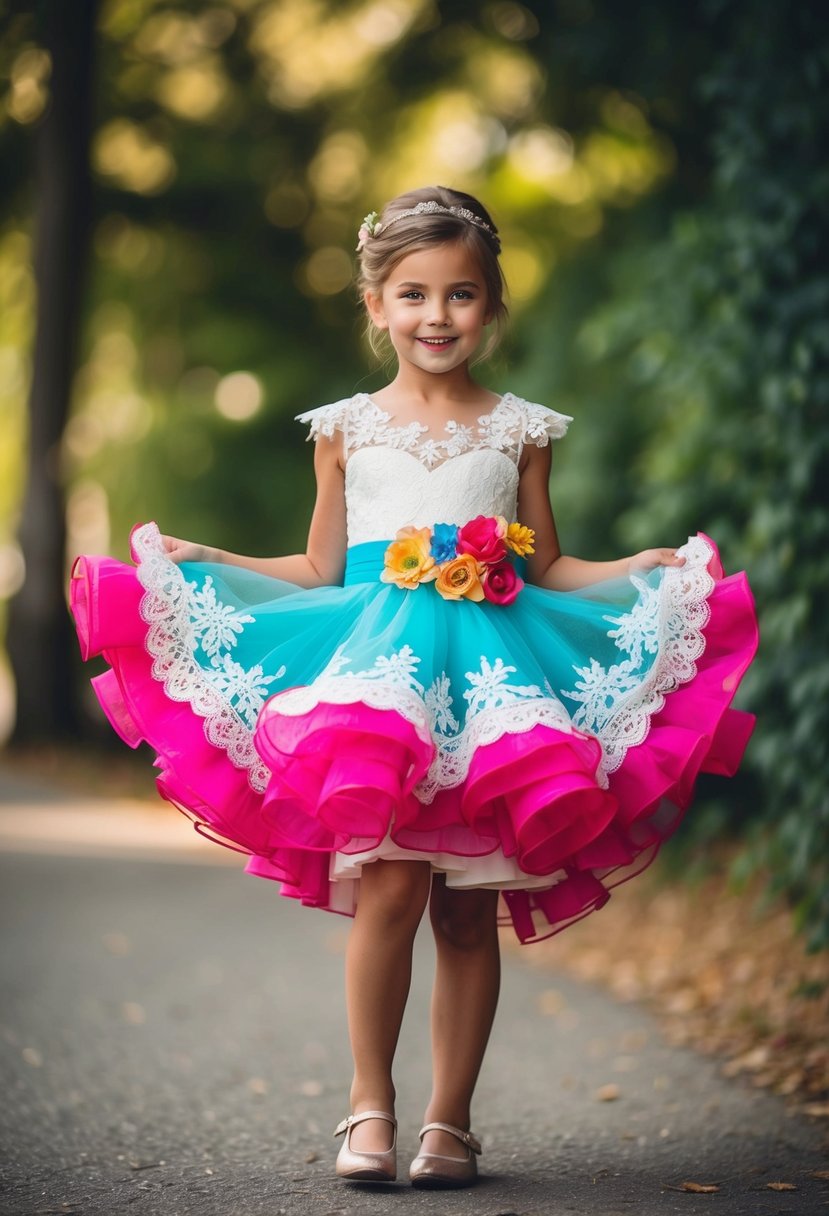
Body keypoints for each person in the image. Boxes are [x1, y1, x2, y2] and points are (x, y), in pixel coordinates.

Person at [69, 184, 758, 1189]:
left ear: (492, 303)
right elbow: (320, 568)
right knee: (390, 885)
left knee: (468, 911)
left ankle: (449, 1121)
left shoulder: (521, 427)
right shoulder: (345, 428)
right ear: (375, 301)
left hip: (492, 688)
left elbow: (552, 565)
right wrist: (208, 556)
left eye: (462, 294)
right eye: (414, 294)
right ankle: (369, 1106)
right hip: (380, 688)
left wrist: (639, 572)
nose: (437, 316)